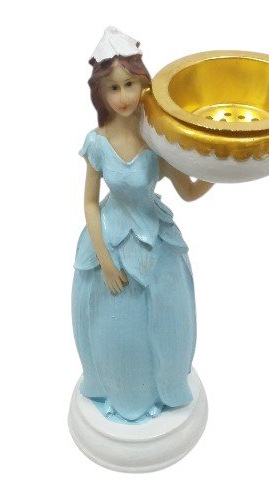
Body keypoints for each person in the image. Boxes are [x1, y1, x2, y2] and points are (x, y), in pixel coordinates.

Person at [72, 27, 213, 423]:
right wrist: (105, 260)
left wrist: (220, 166)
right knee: (114, 324)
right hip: (111, 237)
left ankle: (164, 388)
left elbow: (188, 191)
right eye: (113, 88)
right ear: (100, 94)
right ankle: (121, 389)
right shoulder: (97, 142)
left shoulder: (157, 140)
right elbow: (89, 202)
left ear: (144, 84)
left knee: (168, 315)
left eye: (129, 84)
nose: (123, 96)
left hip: (154, 236)